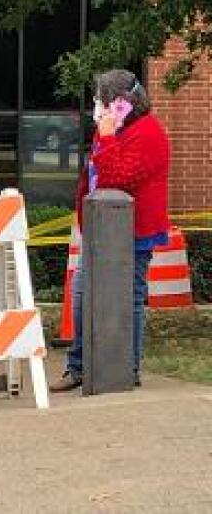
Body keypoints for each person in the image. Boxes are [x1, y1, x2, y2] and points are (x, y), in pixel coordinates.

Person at [50, 69, 170, 392]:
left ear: (124, 103)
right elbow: (96, 173)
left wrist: (105, 136)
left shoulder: (148, 133)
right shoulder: (115, 129)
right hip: (100, 227)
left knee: (128, 298)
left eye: (104, 102)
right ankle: (78, 366)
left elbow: (116, 177)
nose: (98, 109)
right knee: (81, 293)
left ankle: (126, 368)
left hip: (133, 232)